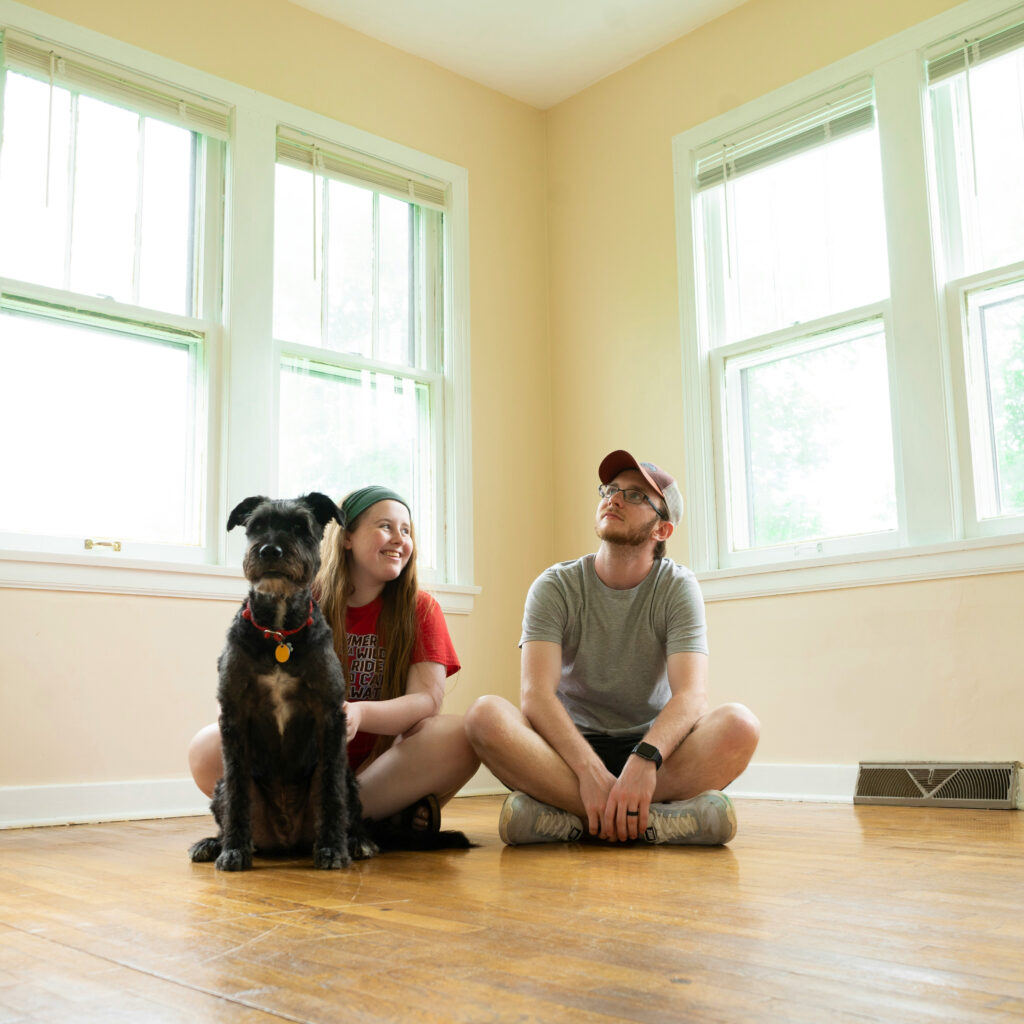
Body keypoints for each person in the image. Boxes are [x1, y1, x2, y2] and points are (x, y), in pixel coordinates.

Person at [465, 450, 760, 846]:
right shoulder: (555, 585)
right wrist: (587, 769)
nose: (615, 498)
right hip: (568, 751)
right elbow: (536, 695)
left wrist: (645, 759)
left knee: (740, 725)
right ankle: (656, 821)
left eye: (636, 496)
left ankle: (568, 819)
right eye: (611, 489)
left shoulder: (677, 586)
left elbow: (692, 695)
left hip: (654, 749)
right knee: (484, 716)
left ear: (662, 531)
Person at [188, 485, 479, 840]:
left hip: (380, 767)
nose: (399, 538)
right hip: (300, 767)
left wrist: (359, 714)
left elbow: (427, 701)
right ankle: (359, 822)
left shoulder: (422, 608)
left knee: (461, 735)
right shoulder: (301, 599)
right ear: (346, 538)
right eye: (385, 526)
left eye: (406, 531)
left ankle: (339, 817)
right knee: (205, 747)